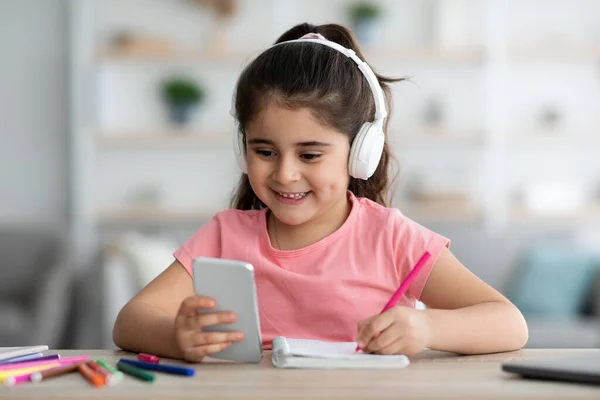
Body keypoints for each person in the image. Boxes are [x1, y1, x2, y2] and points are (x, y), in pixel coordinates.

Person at [113, 22, 528, 362]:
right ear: (243, 150)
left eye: (310, 155)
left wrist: (428, 327)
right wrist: (176, 336)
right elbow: (130, 320)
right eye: (264, 151)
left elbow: (510, 323)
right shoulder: (226, 235)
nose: (285, 174)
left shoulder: (393, 238)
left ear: (360, 153)